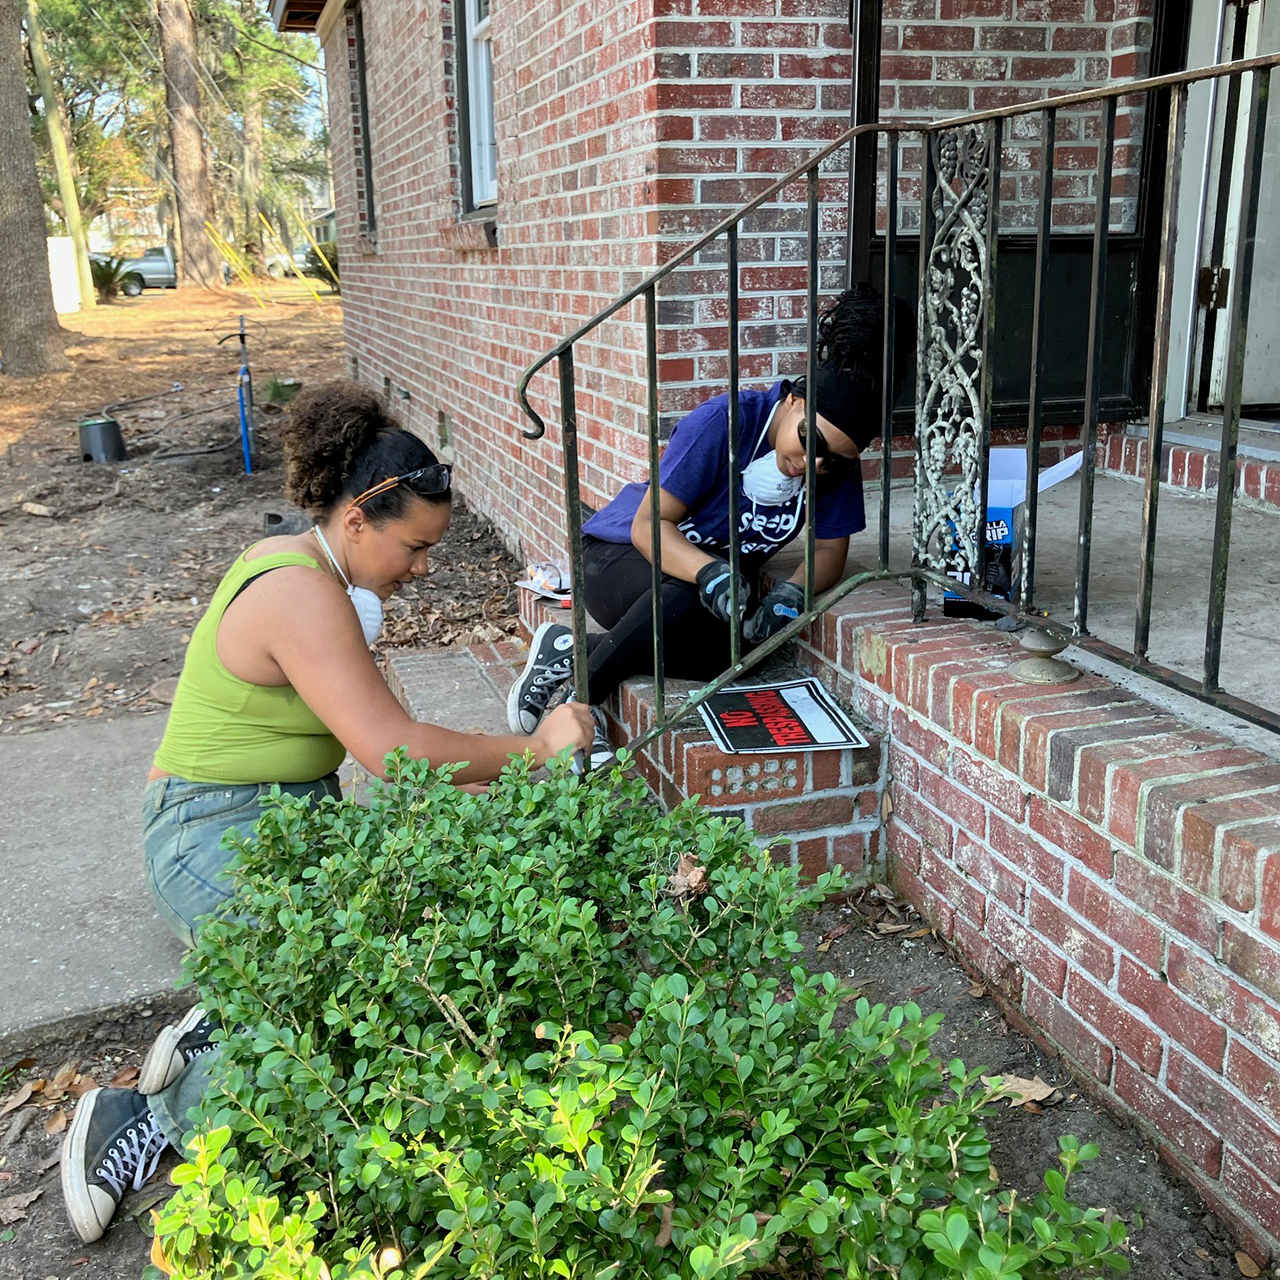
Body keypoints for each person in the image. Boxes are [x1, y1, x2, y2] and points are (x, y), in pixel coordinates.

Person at [60, 381, 592, 1245]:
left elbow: (387, 745)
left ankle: (215, 1017)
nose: (423, 569)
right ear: (357, 520)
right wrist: (537, 754)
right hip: (205, 831)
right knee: (320, 997)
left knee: (399, 938)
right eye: (415, 548)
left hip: (285, 818)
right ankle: (137, 1118)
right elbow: (395, 751)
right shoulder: (299, 592)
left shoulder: (319, 576)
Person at [508, 285, 911, 766]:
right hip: (620, 558)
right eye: (810, 441)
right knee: (684, 597)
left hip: (691, 586)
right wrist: (707, 572)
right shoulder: (724, 422)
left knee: (742, 653)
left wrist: (793, 593)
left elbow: (828, 551)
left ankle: (573, 647)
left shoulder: (832, 462)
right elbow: (648, 525)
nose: (813, 463)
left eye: (833, 461)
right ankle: (577, 708)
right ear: (796, 401)